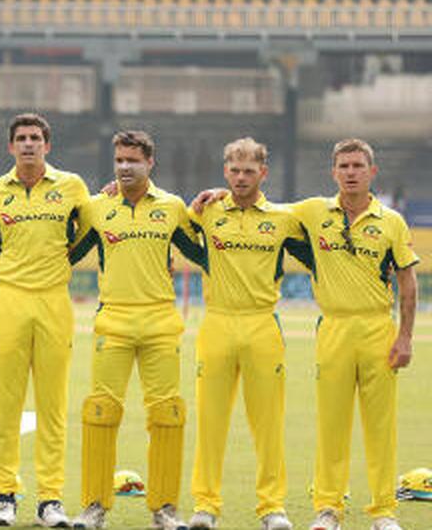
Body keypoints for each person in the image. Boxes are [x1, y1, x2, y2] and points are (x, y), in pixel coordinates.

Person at [195, 139, 417, 530]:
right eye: (343, 166)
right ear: (333, 173)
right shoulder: (312, 212)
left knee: (381, 426)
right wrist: (220, 193)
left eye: (358, 166)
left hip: (377, 327)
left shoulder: (392, 221)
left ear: (372, 172)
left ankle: (383, 512)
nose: (350, 172)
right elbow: (262, 205)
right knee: (331, 424)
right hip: (333, 327)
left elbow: (408, 281)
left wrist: (405, 336)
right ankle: (327, 509)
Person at [68, 130, 206, 530]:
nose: (126, 167)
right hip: (114, 319)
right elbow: (67, 252)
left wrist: (213, 202)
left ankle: (164, 510)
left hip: (160, 321)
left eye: (133, 160)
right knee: (100, 412)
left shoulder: (172, 207)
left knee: (168, 414)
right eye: (120, 161)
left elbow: (206, 250)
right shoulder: (97, 209)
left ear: (150, 163)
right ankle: (94, 506)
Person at [185, 138, 312, 530]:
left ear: (263, 173)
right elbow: (159, 212)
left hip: (262, 325)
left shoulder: (283, 218)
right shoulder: (205, 211)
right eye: (234, 171)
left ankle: (272, 508)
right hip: (218, 323)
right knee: (210, 422)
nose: (241, 178)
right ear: (225, 171)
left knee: (268, 423)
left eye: (249, 171)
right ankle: (205, 506)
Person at [0, 114, 89, 528]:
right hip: (10, 302)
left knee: (52, 405)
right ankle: (5, 495)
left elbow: (92, 231)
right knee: (7, 405)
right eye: (20, 138)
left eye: (35, 138)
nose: (27, 144)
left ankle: (50, 500)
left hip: (55, 302)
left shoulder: (71, 187)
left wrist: (61, 261)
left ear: (47, 145)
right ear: (10, 147)